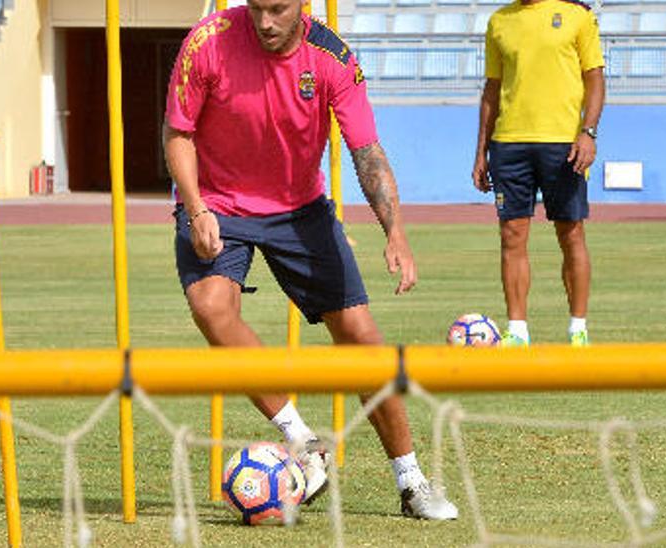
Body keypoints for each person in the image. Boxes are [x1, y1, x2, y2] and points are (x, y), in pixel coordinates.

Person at [164, 0, 457, 520]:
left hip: (299, 211)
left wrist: (396, 231)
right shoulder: (206, 42)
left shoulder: (332, 56)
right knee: (211, 306)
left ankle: (412, 482)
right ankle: (301, 441)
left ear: (303, 5)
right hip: (217, 203)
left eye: (277, 10)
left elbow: (366, 151)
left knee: (362, 340)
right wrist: (196, 207)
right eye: (257, 8)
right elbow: (178, 132)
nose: (265, 22)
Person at [472, 0, 605, 347]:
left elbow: (594, 80)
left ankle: (578, 327)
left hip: (563, 143)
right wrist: (480, 152)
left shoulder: (578, 16)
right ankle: (517, 331)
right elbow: (492, 90)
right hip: (509, 144)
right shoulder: (500, 20)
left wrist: (588, 133)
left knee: (571, 233)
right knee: (512, 235)